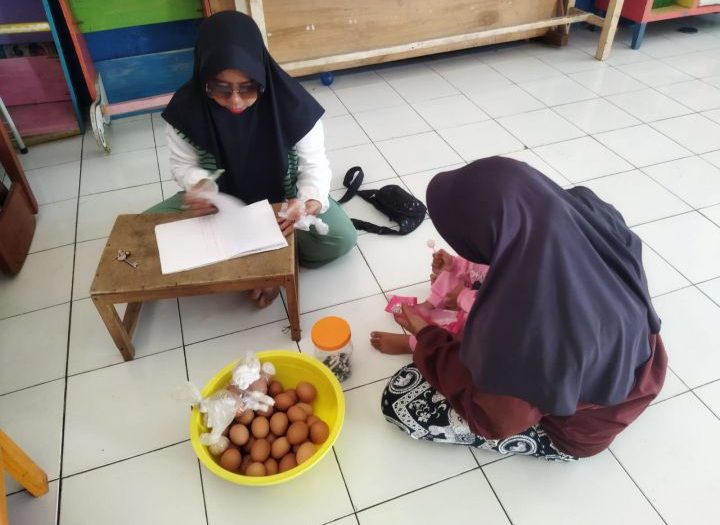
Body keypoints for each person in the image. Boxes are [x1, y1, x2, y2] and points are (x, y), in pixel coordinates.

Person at [380, 157, 667, 461]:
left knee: (399, 400)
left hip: (581, 429)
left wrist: (427, 336)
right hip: (639, 366)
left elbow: (495, 420)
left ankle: (555, 444)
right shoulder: (588, 211)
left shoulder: (526, 325)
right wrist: (462, 271)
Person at [147, 11, 357, 307]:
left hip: (281, 205)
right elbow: (183, 165)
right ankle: (252, 262)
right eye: (221, 88)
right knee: (146, 234)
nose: (235, 100)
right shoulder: (185, 111)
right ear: (203, 76)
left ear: (261, 75)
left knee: (340, 238)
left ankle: (274, 263)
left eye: (248, 87)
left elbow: (314, 166)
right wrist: (199, 185)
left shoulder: (293, 105)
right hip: (219, 204)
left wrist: (308, 202)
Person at [370, 250, 489, 355]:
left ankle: (413, 343)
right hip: (474, 294)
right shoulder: (485, 247)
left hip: (488, 319)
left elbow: (494, 309)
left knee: (466, 330)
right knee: (456, 271)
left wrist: (463, 297)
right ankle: (428, 307)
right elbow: (470, 265)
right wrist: (454, 264)